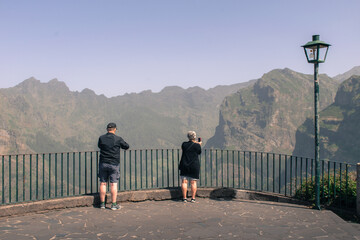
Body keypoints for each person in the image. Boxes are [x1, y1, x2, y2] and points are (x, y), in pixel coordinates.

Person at [98, 122, 129, 210]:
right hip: (114, 164)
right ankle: (113, 204)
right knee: (113, 184)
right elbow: (126, 146)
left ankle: (102, 204)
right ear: (115, 129)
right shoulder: (118, 139)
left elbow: (99, 146)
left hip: (103, 163)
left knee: (103, 183)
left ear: (107, 129)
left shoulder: (101, 138)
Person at [178, 131, 202, 203]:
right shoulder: (197, 146)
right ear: (194, 137)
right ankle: (193, 198)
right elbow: (199, 152)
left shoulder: (184, 144)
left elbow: (184, 149)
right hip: (194, 165)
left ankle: (184, 198)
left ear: (188, 137)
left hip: (184, 165)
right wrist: (199, 144)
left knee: (184, 182)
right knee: (193, 182)